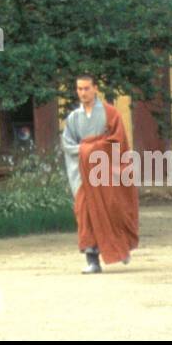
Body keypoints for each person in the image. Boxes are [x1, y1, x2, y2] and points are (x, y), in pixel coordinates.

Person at [60, 74, 139, 273]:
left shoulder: (110, 113)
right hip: (83, 173)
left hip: (104, 170)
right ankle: (92, 261)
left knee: (113, 208)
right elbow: (68, 144)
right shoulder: (73, 118)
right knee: (85, 213)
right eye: (79, 89)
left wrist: (92, 149)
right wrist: (85, 151)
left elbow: (118, 141)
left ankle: (120, 248)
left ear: (95, 88)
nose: (83, 93)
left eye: (87, 88)